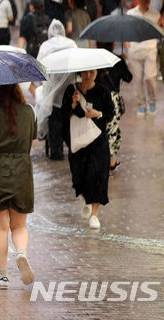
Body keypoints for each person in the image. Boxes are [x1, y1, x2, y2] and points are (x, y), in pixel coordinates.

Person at [0, 84, 36, 289]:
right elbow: (31, 143)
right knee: (19, 225)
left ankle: (3, 276)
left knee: (0, 228)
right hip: (22, 173)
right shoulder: (28, 111)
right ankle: (21, 253)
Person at [61, 70, 114, 229]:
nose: (89, 75)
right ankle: (87, 200)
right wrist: (73, 104)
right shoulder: (71, 90)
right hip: (77, 141)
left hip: (98, 140)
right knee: (79, 177)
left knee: (97, 175)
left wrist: (98, 113)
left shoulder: (103, 90)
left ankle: (95, 215)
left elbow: (110, 114)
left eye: (92, 72)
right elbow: (63, 114)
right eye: (86, 73)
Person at [35, 20, 77, 160]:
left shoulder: (45, 46)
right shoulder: (71, 44)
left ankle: (56, 150)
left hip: (52, 90)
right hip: (69, 89)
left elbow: (39, 68)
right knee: (69, 118)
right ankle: (73, 147)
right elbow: (78, 66)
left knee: (55, 119)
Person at [125, 0, 160, 115]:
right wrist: (127, 45)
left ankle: (152, 101)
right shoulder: (131, 13)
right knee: (137, 78)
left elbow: (161, 30)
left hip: (150, 48)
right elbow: (126, 29)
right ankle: (141, 103)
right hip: (134, 48)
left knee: (150, 77)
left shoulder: (155, 15)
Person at [97, 60, 132, 171]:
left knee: (99, 129)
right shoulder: (117, 60)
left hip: (95, 97)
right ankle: (110, 160)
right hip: (112, 98)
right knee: (112, 130)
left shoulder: (93, 61)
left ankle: (103, 160)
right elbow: (128, 78)